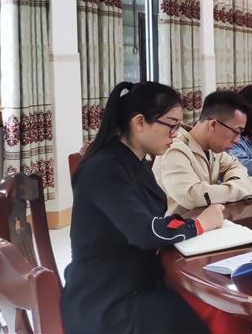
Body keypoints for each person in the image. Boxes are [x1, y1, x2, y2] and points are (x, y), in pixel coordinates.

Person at [62, 82, 225, 333]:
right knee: (201, 312)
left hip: (131, 281)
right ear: (139, 122)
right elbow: (145, 232)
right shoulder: (105, 168)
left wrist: (194, 225)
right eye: (171, 125)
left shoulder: (133, 161)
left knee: (209, 302)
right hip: (107, 301)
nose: (175, 134)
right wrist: (199, 224)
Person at [153, 90, 252, 215]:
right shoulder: (174, 149)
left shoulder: (213, 148)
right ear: (213, 125)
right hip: (181, 226)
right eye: (236, 132)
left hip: (208, 222)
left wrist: (235, 184)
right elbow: (192, 196)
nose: (237, 140)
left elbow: (235, 166)